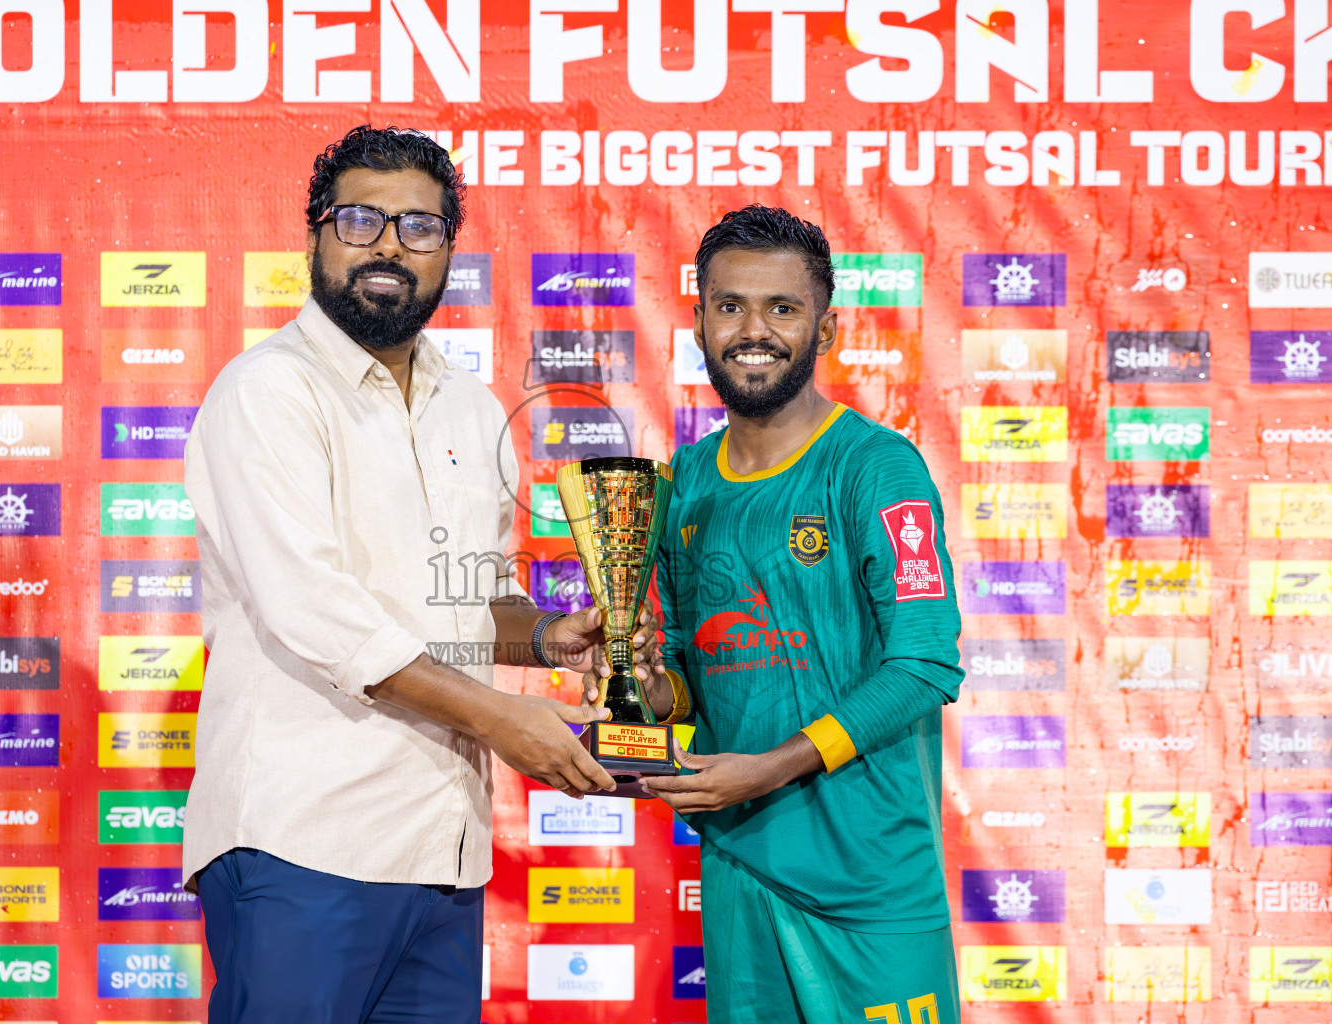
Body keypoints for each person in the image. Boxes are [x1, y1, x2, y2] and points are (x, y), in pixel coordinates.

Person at [182, 125, 655, 1024]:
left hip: (443, 852)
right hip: (302, 844)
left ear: (449, 250)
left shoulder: (472, 408)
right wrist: (508, 721)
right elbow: (317, 614)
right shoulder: (267, 392)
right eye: (362, 220)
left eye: (420, 225)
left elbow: (471, 598)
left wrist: (550, 635)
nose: (390, 243)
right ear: (316, 233)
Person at [587, 205, 964, 1024]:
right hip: (742, 871)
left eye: (782, 309)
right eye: (730, 306)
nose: (753, 330)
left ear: (826, 331)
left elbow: (927, 663)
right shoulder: (682, 479)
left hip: (871, 884)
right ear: (698, 323)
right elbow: (691, 672)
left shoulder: (875, 468)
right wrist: (649, 694)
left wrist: (769, 766)